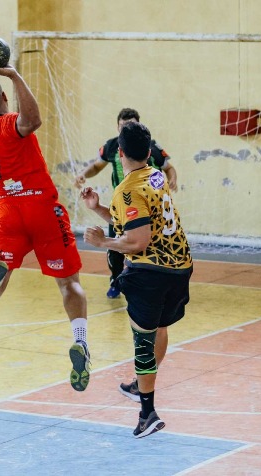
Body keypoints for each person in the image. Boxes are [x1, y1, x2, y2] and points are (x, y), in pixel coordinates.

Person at [0, 60, 91, 392]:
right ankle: (80, 340)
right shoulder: (11, 123)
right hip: (41, 206)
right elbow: (34, 119)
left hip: (8, 211)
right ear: (3, 96)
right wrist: (13, 74)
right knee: (69, 284)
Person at [81, 121, 192, 438]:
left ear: (119, 153)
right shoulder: (155, 176)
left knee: (142, 340)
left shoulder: (127, 189)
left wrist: (103, 243)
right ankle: (139, 385)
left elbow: (137, 241)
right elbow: (138, 223)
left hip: (150, 272)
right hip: (179, 267)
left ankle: (148, 413)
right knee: (159, 329)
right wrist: (99, 208)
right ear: (148, 152)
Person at [75, 108, 178, 299]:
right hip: (125, 208)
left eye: (130, 126)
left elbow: (169, 168)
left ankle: (145, 282)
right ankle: (116, 281)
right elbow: (96, 166)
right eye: (123, 127)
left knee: (136, 242)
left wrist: (101, 241)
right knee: (118, 248)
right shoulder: (115, 151)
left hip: (142, 216)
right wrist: (84, 176)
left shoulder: (146, 171)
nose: (126, 131)